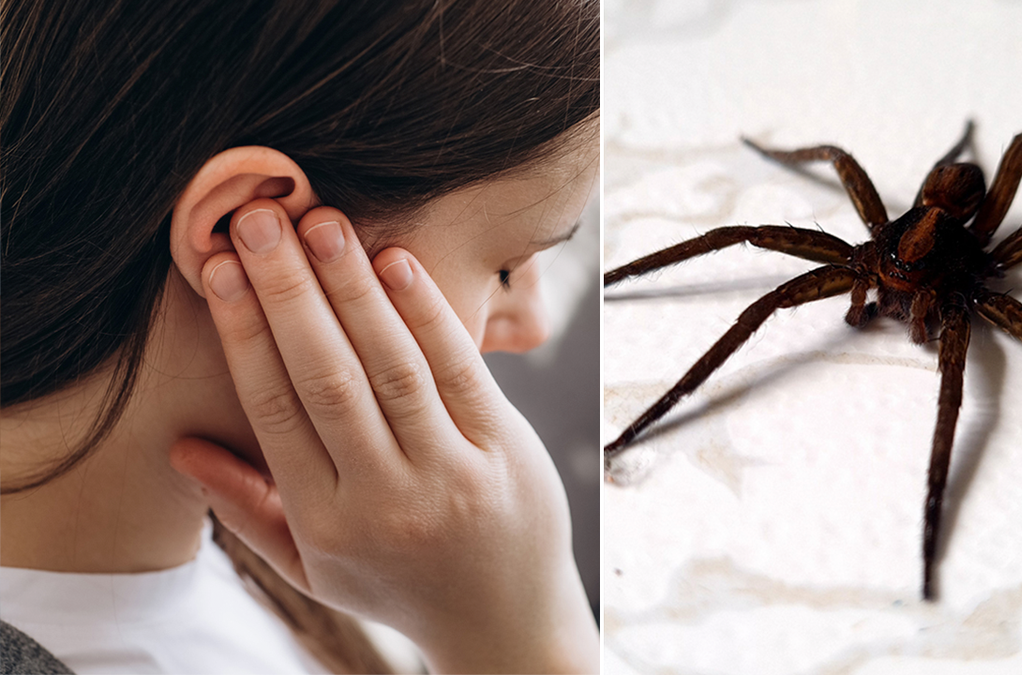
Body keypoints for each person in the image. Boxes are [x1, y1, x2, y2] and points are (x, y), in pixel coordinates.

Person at [0, 0, 600, 673]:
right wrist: (518, 639)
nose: (533, 326)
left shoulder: (336, 543)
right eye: (507, 266)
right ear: (245, 228)